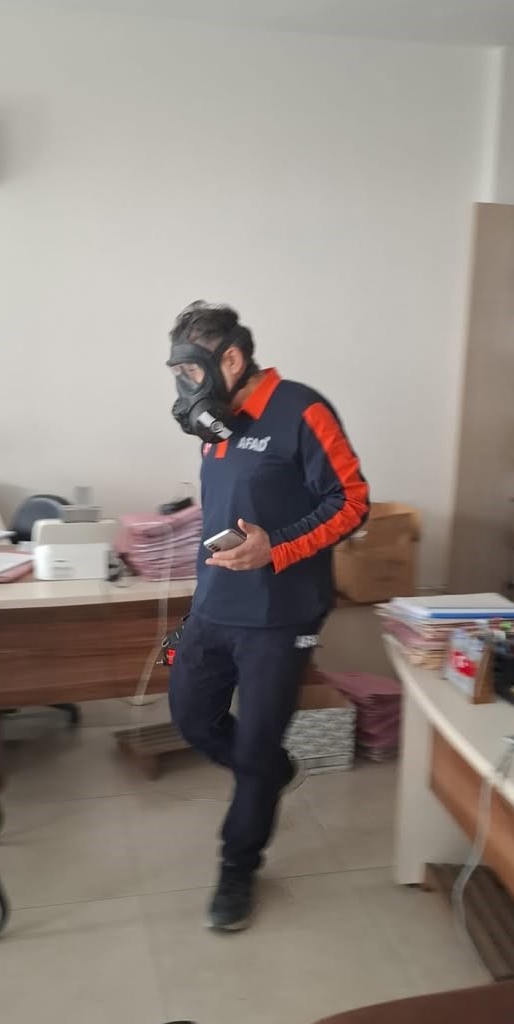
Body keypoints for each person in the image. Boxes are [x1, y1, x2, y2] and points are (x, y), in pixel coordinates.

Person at [166, 300, 369, 931]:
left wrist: (275, 548)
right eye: (178, 373)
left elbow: (352, 502)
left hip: (282, 616)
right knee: (191, 717)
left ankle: (238, 866)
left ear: (231, 359)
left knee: (255, 743)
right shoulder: (216, 424)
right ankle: (271, 771)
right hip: (213, 605)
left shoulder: (302, 410)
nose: (185, 386)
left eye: (192, 371)